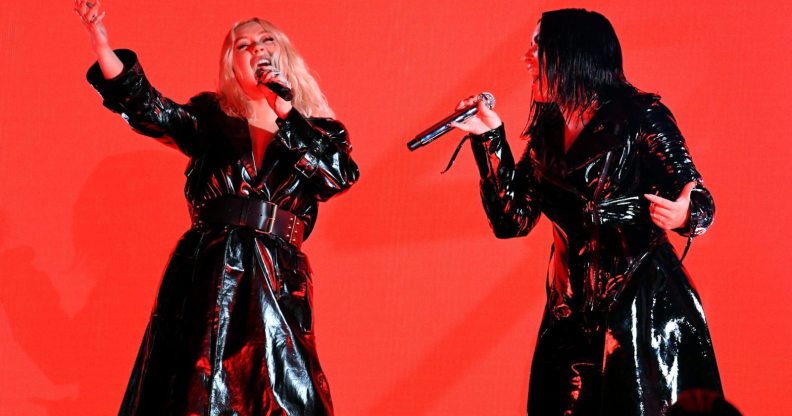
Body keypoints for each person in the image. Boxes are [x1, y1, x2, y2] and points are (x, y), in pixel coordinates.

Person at [75, 1, 358, 414]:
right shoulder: (211, 118)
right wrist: (102, 47)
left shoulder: (320, 131)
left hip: (277, 275)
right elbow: (151, 109)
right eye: (242, 45)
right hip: (210, 268)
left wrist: (287, 114)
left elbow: (337, 178)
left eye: (265, 40)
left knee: (283, 393)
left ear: (284, 54)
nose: (255, 49)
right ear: (233, 64)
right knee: (194, 389)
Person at [450, 8, 721, 416]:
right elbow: (513, 220)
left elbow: (697, 196)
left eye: (538, 45)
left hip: (642, 309)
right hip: (569, 312)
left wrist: (686, 215)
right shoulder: (548, 129)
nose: (527, 57)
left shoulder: (640, 116)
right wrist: (490, 139)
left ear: (573, 53)